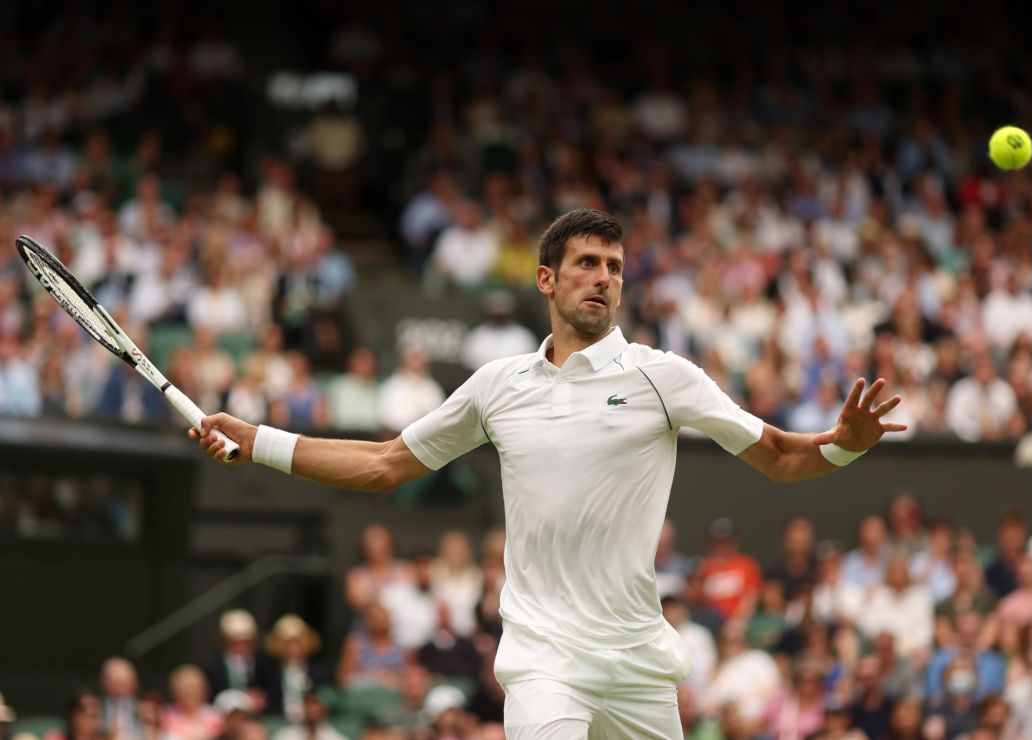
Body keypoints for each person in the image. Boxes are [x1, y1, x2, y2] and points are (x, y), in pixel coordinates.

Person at [191, 208, 905, 738]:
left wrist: (845, 445)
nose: (604, 278)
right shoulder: (497, 384)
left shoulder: (665, 377)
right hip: (543, 658)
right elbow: (384, 465)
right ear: (546, 279)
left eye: (615, 268)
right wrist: (258, 441)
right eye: (588, 263)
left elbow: (781, 456)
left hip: (637, 660)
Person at [203, 610, 272, 712]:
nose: (241, 647)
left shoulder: (263, 664)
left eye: (246, 642)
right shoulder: (211, 667)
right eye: (235, 642)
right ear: (225, 641)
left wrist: (261, 699)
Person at [262, 615, 328, 720]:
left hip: (310, 722)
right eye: (288, 643)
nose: (292, 648)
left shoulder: (318, 671)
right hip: (279, 721)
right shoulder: (269, 672)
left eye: (297, 643)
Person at [696, 517, 764, 620]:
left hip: (740, 621)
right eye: (718, 542)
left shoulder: (747, 565)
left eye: (726, 542)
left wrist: (738, 621)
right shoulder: (703, 567)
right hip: (710, 621)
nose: (722, 547)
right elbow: (698, 600)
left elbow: (751, 598)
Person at [100, 657, 140, 740]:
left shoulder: (143, 709)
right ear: (104, 682)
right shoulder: (95, 708)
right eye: (116, 682)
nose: (120, 688)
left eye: (124, 682)